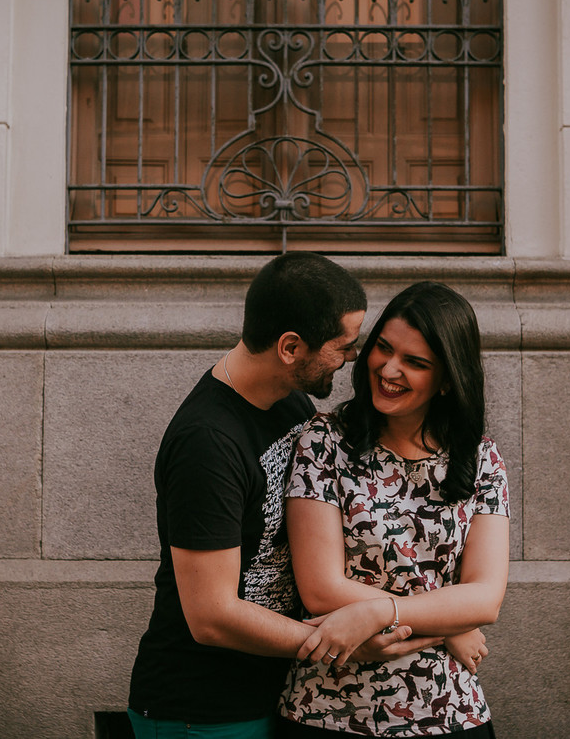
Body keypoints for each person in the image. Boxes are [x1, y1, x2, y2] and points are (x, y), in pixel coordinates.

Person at [128, 252, 434, 739]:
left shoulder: (288, 401)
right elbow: (212, 616)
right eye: (343, 345)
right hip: (203, 711)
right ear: (291, 347)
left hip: (280, 693)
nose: (355, 357)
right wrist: (344, 640)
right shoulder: (207, 442)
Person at [277, 281, 511, 738]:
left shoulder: (481, 458)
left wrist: (380, 613)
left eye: (416, 363)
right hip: (328, 709)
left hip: (450, 710)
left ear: (447, 380)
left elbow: (485, 597)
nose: (389, 368)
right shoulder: (324, 442)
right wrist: (446, 626)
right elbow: (321, 590)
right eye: (383, 348)